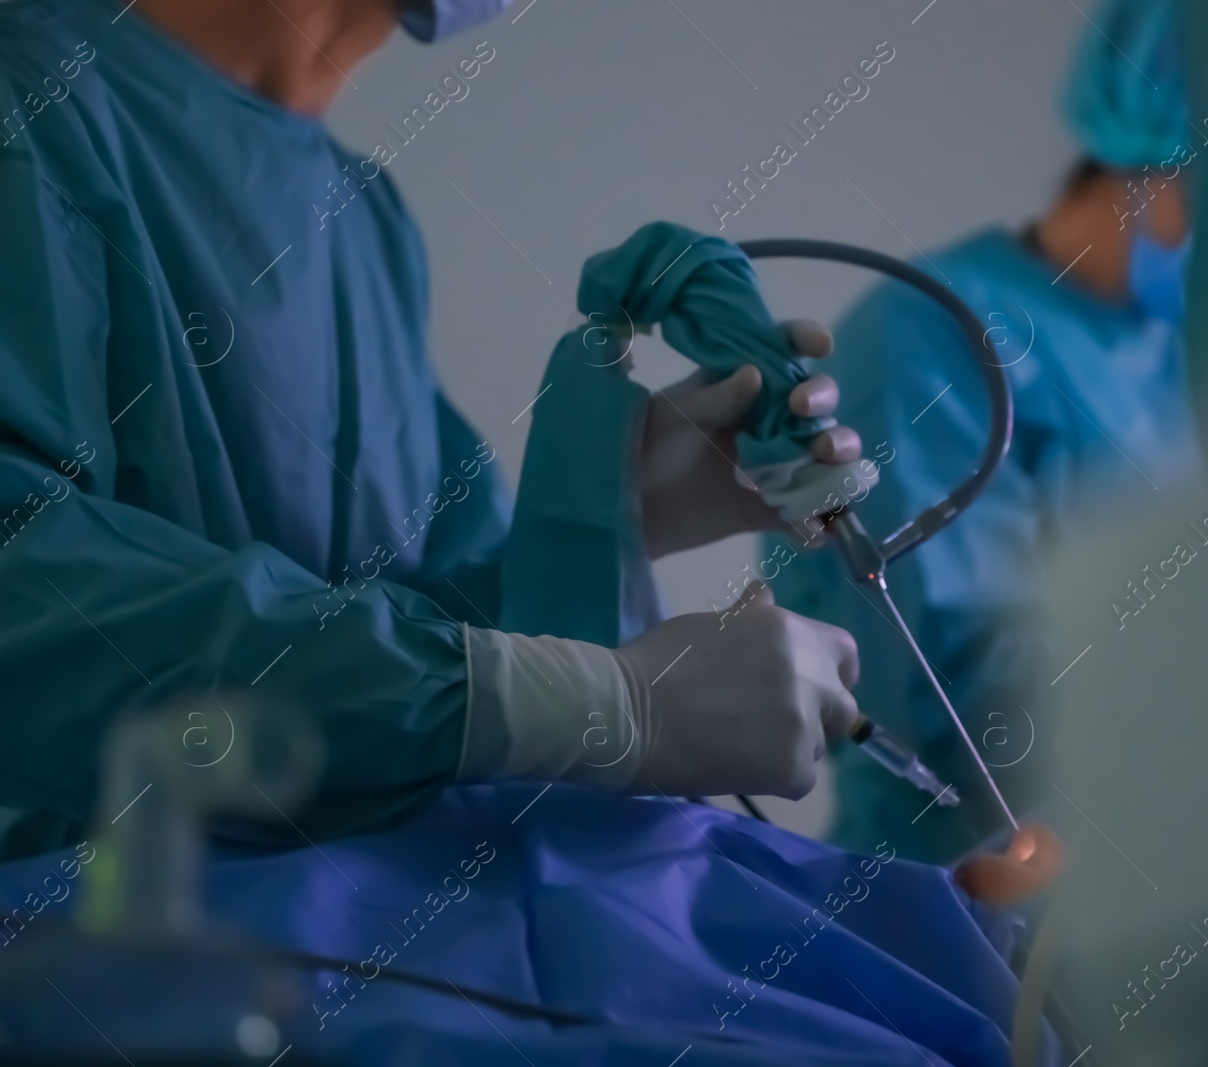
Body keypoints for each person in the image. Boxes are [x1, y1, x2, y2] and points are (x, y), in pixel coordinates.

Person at [0, 3, 1050, 1062]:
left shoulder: (361, 215)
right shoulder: (29, 97)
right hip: (121, 928)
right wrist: (600, 701)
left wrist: (610, 520)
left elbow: (417, 643)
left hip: (410, 889)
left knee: (986, 994)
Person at [767, 0, 1201, 862]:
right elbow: (944, 691)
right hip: (955, 894)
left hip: (1157, 859)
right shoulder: (932, 334)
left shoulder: (1175, 352)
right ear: (1150, 155)